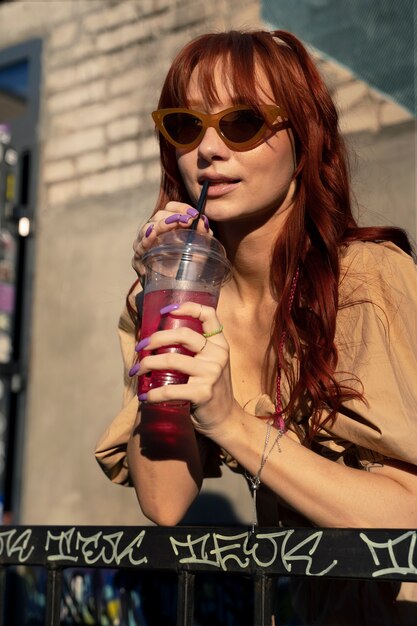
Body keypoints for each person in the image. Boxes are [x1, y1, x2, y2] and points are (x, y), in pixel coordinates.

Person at [95, 29, 417, 625]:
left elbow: (407, 521)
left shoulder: (368, 282)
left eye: (241, 123)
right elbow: (165, 502)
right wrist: (162, 306)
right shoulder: (179, 299)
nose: (209, 150)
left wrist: (228, 422)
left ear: (305, 136)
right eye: (186, 126)